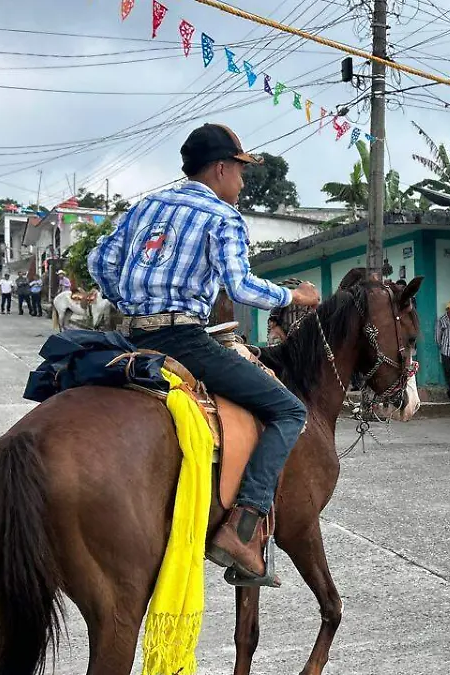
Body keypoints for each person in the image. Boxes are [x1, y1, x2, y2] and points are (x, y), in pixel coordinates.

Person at [88, 123, 320, 586]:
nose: (243, 181)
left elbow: (100, 263)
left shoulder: (144, 206)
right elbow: (239, 285)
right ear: (219, 168)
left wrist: (133, 300)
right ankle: (242, 526)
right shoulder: (223, 216)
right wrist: (296, 298)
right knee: (289, 410)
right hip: (185, 341)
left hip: (135, 338)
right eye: (240, 170)